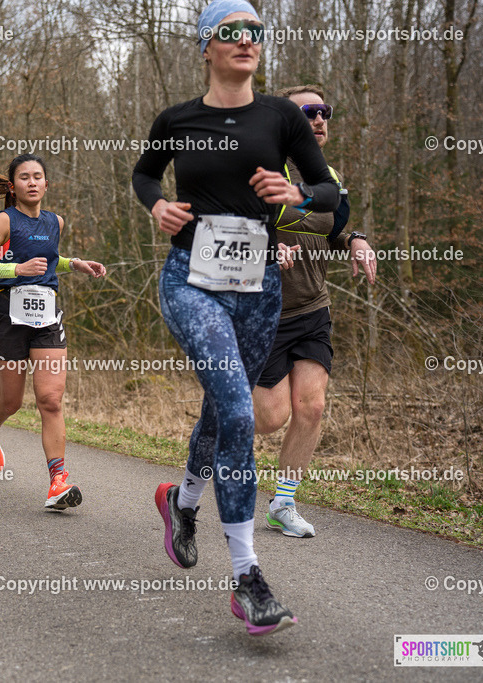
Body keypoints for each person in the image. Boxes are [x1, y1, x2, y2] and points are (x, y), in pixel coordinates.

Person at [132, 0, 340, 634]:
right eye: (232, 32)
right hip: (190, 281)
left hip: (258, 291)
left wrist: (299, 195)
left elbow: (334, 195)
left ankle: (182, 501)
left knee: (222, 409)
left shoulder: (280, 116)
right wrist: (158, 206)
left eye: (256, 31)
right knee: (242, 410)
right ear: (207, 47)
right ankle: (248, 577)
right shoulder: (178, 118)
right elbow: (144, 174)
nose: (247, 40)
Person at [252, 85, 376, 538]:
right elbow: (224, 233)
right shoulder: (260, 172)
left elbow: (337, 229)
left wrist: (356, 240)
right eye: (309, 112)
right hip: (263, 312)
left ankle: (283, 503)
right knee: (269, 419)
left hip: (312, 309)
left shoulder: (331, 178)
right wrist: (265, 251)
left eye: (325, 111)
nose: (320, 119)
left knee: (313, 406)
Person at [0, 154, 106, 510]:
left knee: (50, 399)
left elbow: (48, 259)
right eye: (24, 177)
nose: (32, 182)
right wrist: (17, 268)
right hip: (9, 318)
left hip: (46, 317)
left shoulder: (55, 221)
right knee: (11, 401)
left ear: (46, 184)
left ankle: (58, 479)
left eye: (37, 176)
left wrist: (73, 263)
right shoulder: (2, 221)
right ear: (13, 187)